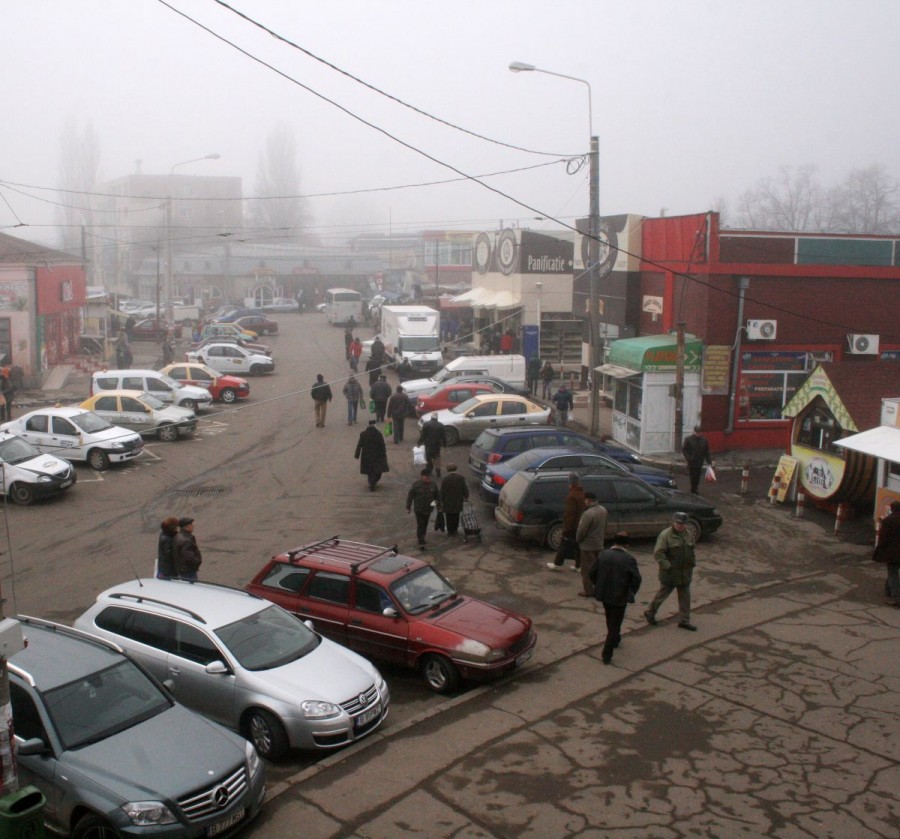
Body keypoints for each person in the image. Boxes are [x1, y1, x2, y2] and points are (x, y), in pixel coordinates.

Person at [589, 532, 642, 665]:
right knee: (616, 622)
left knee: (610, 617)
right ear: (627, 544)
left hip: (605, 594)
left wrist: (599, 584)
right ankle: (607, 652)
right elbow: (637, 579)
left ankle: (616, 638)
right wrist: (631, 591)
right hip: (620, 595)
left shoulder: (603, 554)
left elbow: (592, 572)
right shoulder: (629, 559)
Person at [644, 512, 697, 631]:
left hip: (685, 573)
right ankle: (650, 612)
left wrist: (692, 562)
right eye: (678, 523)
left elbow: (692, 549)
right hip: (670, 574)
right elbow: (658, 553)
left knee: (685, 598)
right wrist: (667, 566)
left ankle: (684, 620)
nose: (680, 526)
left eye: (682, 524)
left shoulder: (688, 534)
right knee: (662, 595)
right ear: (674, 522)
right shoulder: (665, 535)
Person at [547, 473, 586, 571]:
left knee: (564, 544)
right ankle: (578, 565)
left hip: (572, 526)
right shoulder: (581, 494)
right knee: (577, 546)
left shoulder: (572, 496)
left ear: (571, 483)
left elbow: (570, 514)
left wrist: (567, 528)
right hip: (579, 524)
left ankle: (557, 564)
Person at [575, 491, 608, 596]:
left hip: (587, 546)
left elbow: (582, 531)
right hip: (599, 544)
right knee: (598, 568)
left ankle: (588, 591)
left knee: (587, 569)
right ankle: (600, 587)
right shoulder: (603, 510)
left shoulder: (588, 514)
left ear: (588, 500)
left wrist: (578, 540)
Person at [406, 469, 441, 550]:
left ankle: (422, 537)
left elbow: (437, 496)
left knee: (425, 524)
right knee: (420, 524)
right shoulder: (416, 485)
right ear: (422, 476)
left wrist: (438, 506)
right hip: (419, 509)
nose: (428, 478)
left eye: (429, 477)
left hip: (429, 509)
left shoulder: (433, 484)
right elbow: (410, 496)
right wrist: (408, 507)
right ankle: (421, 541)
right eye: (426, 477)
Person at [874, 500, 900, 607]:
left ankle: (896, 598)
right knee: (892, 572)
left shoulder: (888, 521)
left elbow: (884, 538)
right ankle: (888, 591)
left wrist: (879, 551)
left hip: (893, 553)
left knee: (893, 573)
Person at [355, 419, 390, 491]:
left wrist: (357, 455)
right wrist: (384, 454)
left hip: (366, 456)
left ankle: (371, 482)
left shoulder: (363, 434)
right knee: (377, 471)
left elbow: (359, 445)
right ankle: (373, 483)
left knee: (369, 472)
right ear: (375, 425)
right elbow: (382, 445)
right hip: (377, 456)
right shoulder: (379, 434)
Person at [440, 464, 469, 536]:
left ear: (447, 470)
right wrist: (466, 496)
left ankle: (450, 531)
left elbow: (442, 491)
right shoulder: (461, 478)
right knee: (456, 515)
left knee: (448, 516)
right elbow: (464, 488)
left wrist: (441, 501)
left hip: (447, 501)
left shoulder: (445, 478)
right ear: (456, 469)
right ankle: (455, 530)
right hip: (458, 500)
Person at [682, 425, 713, 494]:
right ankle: (693, 490)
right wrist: (688, 458)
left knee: (697, 477)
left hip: (699, 462)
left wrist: (709, 461)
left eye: (700, 432)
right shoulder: (688, 439)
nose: (698, 434)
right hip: (692, 462)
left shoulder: (704, 441)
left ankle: (695, 489)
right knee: (693, 476)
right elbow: (684, 449)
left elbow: (706, 452)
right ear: (694, 432)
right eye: (697, 432)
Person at [172, 517, 202, 581]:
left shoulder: (178, 536)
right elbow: (188, 557)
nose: (193, 526)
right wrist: (197, 562)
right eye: (191, 525)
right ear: (186, 527)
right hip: (188, 571)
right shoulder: (186, 540)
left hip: (183, 569)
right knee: (191, 588)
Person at [418, 413, 445, 478]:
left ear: (431, 417)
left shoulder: (426, 424)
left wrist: (419, 442)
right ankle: (438, 472)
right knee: (437, 459)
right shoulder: (440, 425)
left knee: (428, 458)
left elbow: (423, 435)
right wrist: (445, 444)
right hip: (437, 446)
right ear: (437, 418)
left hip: (428, 445)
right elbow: (443, 436)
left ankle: (429, 471)